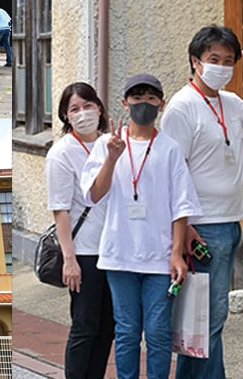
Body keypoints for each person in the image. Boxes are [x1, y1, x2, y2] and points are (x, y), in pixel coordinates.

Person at [160, 25, 243, 379]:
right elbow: (169, 174)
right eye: (214, 59)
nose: (222, 66)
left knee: (210, 318)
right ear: (196, 62)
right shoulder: (182, 107)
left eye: (228, 61)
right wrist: (183, 233)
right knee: (203, 321)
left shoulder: (229, 101)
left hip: (229, 223)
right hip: (201, 228)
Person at [81, 74, 200, 379]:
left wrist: (176, 253)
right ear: (124, 103)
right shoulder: (106, 145)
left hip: (159, 257)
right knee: (127, 331)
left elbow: (181, 206)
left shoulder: (170, 149)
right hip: (119, 254)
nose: (143, 104)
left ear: (161, 104)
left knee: (159, 332)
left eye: (150, 99)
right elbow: (94, 194)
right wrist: (112, 157)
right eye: (136, 98)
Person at [45, 82, 113, 379]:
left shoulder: (112, 143)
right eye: (75, 109)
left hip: (115, 250)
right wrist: (69, 259)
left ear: (99, 108)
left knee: (109, 326)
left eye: (88, 106)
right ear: (65, 116)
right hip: (84, 252)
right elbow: (60, 209)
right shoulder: (62, 153)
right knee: (85, 325)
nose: (83, 113)